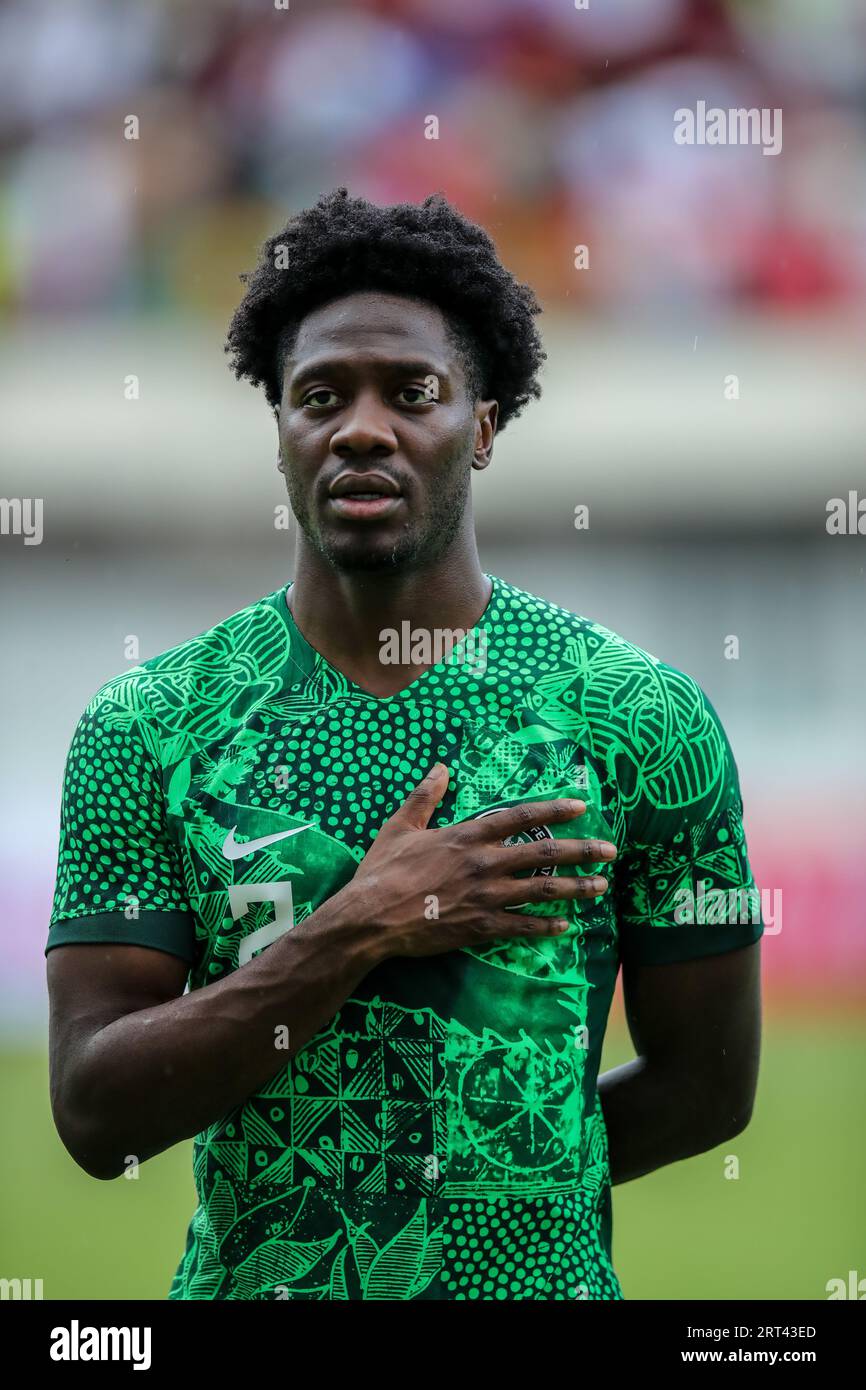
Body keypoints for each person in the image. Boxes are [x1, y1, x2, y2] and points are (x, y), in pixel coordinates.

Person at [46, 187, 762, 1301]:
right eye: (320, 396)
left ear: (482, 426)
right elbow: (96, 1115)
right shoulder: (150, 724)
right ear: (281, 432)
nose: (361, 429)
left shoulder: (638, 715)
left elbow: (708, 1089)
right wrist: (358, 926)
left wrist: (498, 1196)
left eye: (412, 393)